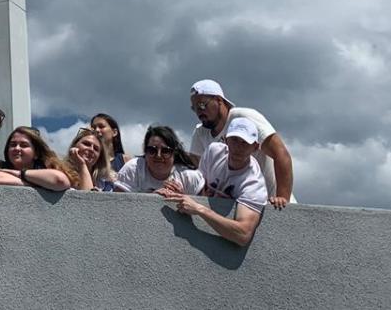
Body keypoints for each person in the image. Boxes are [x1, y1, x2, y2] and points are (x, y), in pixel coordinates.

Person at [160, 118, 268, 247]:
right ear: (226, 140)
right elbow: (199, 183)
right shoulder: (214, 151)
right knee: (186, 177)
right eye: (234, 140)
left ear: (255, 147)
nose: (239, 147)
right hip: (198, 229)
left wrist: (199, 209)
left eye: (245, 143)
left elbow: (243, 235)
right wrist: (177, 189)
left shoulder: (253, 183)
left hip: (225, 253)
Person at [187, 79, 294, 208]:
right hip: (234, 206)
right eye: (195, 108)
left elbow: (281, 155)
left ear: (219, 100)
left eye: (202, 105)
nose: (199, 112)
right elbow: (196, 173)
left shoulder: (243, 117)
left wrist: (283, 201)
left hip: (271, 204)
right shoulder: (200, 133)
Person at [114, 125, 204, 196]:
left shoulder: (189, 177)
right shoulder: (132, 170)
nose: (158, 155)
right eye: (152, 150)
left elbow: (203, 212)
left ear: (174, 153)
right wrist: (150, 200)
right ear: (145, 152)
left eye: (165, 151)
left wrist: (183, 198)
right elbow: (116, 206)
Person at [0, 127, 76, 192]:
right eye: (13, 144)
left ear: (36, 153)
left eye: (24, 145)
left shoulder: (46, 167)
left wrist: (20, 174)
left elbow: (60, 180)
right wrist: (39, 185)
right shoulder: (0, 166)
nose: (17, 148)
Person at [66, 127, 114, 191]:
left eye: (96, 149)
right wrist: (82, 165)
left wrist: (82, 165)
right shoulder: (61, 172)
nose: (91, 149)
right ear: (74, 146)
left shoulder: (105, 182)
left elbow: (89, 199)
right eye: (86, 144)